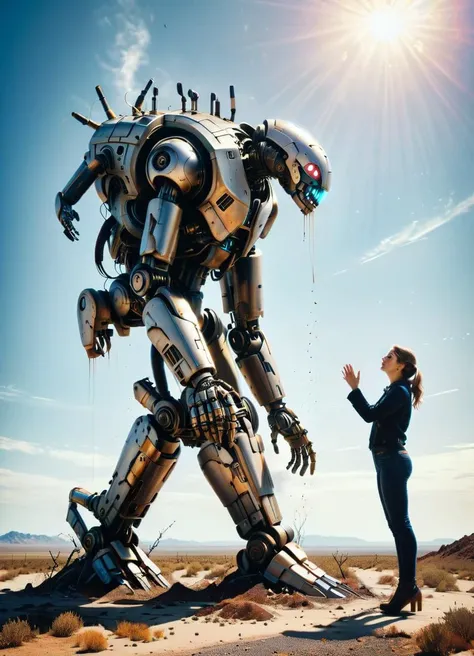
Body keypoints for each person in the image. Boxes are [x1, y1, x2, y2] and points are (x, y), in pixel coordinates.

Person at [342, 345, 424, 615]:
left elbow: (369, 414)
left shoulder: (400, 391)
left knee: (401, 525)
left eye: (389, 356)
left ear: (400, 365)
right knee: (397, 525)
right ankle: (408, 588)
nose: (383, 358)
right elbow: (374, 413)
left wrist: (355, 389)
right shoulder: (395, 391)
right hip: (386, 461)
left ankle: (408, 586)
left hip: (392, 461)